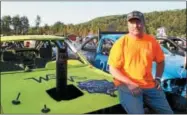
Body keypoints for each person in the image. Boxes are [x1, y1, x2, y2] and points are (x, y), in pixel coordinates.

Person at [107, 11, 173, 114]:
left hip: (149, 85)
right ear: (128, 25)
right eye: (132, 23)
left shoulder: (151, 41)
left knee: (168, 113)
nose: (135, 26)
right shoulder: (121, 43)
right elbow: (113, 69)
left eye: (138, 22)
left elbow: (161, 61)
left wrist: (158, 78)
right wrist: (130, 84)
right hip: (127, 86)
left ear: (143, 23)